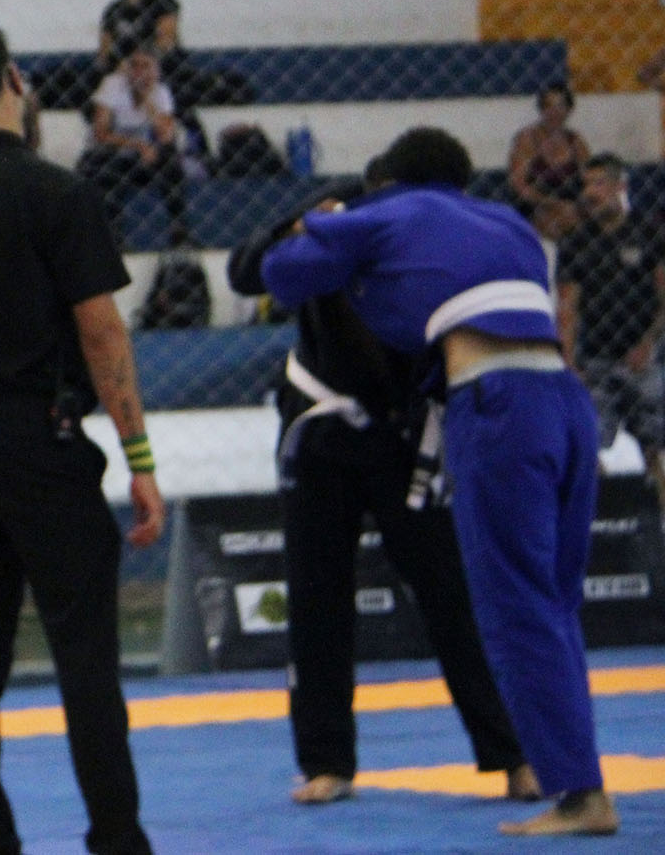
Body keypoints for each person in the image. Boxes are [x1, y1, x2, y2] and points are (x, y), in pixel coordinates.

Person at [262, 127, 618, 837]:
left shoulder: (382, 211)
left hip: (499, 404)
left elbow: (280, 276)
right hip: (566, 403)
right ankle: (575, 781)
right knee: (555, 605)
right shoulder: (507, 221)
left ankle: (581, 795)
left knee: (515, 608)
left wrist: (316, 226)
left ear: (391, 180)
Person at [0, 23, 163, 855]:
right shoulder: (55, 191)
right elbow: (101, 333)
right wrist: (139, 459)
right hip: (44, 439)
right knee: (84, 653)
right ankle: (116, 837)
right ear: (14, 79)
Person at [228, 164, 534, 808]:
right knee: (317, 594)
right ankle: (326, 761)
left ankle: (511, 753)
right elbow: (244, 273)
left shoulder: (454, 237)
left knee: (449, 591)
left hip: (402, 433)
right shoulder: (337, 218)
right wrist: (297, 224)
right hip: (323, 426)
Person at [558, 153, 665, 515]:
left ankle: (659, 517)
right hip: (595, 357)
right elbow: (568, 307)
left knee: (655, 445)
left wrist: (647, 344)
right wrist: (568, 361)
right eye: (586, 184)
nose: (590, 192)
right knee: (586, 445)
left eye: (599, 183)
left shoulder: (649, 232)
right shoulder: (576, 242)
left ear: (621, 186)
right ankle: (606, 516)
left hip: (643, 355)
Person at [79, 46, 187, 243]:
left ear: (156, 71)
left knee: (171, 162)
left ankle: (179, 229)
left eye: (146, 66)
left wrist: (146, 98)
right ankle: (112, 235)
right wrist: (138, 145)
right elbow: (100, 134)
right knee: (108, 170)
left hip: (140, 157)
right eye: (134, 66)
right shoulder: (112, 85)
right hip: (108, 153)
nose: (139, 72)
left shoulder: (160, 92)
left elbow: (166, 136)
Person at [508, 83, 590, 240]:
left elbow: (588, 181)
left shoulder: (576, 142)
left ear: (569, 109)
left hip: (570, 207)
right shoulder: (527, 139)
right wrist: (551, 203)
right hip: (534, 206)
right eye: (548, 106)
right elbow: (519, 186)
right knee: (549, 219)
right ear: (541, 109)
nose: (554, 112)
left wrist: (577, 205)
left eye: (560, 106)